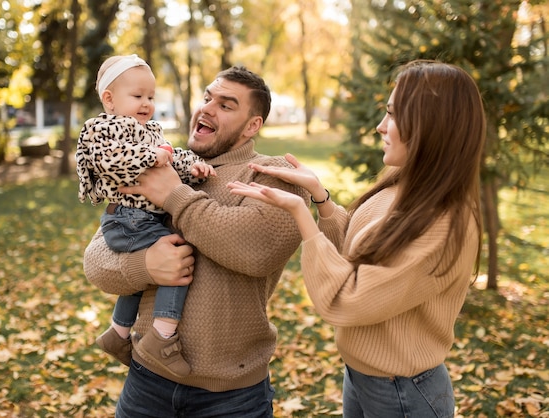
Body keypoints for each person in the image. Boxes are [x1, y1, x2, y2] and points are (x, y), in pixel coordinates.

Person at [227, 60, 485, 417]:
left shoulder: (443, 221)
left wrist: (302, 217)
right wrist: (320, 197)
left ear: (431, 126)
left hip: (403, 394)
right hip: (364, 378)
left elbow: (347, 301)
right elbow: (359, 250)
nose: (380, 126)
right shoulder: (403, 183)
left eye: (393, 116)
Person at [82, 65, 309, 417]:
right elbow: (97, 260)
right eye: (207, 98)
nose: (206, 108)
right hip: (146, 382)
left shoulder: (269, 174)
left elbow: (255, 251)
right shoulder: (159, 164)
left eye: (226, 105)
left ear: (253, 125)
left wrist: (175, 195)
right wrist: (145, 265)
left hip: (231, 398)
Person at [76, 54, 215, 377]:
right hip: (126, 217)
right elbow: (111, 160)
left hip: (142, 218)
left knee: (142, 279)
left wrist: (192, 165)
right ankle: (163, 338)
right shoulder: (101, 129)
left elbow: (171, 156)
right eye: (137, 96)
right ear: (109, 99)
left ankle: (118, 333)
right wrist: (155, 155)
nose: (146, 104)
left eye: (150, 97)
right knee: (176, 256)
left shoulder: (148, 130)